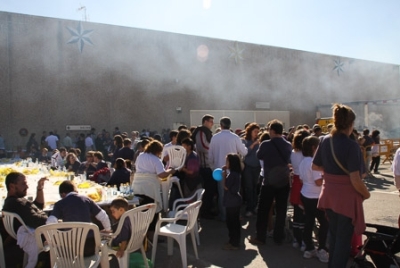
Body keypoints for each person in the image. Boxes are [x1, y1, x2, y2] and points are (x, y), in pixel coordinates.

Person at [312, 103, 370, 268]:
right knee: (343, 241)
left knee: (334, 236)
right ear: (351, 124)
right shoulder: (352, 145)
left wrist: (332, 173)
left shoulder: (324, 140)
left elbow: (315, 166)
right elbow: (356, 179)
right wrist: (366, 194)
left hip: (329, 194)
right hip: (345, 198)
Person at [249, 119, 292, 245]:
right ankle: (279, 237)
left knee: (263, 210)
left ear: (272, 131)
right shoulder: (288, 144)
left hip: (268, 181)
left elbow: (259, 156)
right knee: (281, 210)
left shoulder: (266, 144)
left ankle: (260, 237)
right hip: (284, 181)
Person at [46, 180, 112, 256]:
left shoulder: (60, 204)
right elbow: (103, 216)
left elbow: (50, 222)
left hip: (71, 248)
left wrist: (50, 239)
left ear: (63, 194)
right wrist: (108, 229)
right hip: (89, 245)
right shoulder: (86, 199)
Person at [3, 172, 49, 268]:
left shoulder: (11, 202)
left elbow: (38, 206)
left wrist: (39, 188)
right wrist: (51, 218)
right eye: (23, 184)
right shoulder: (18, 203)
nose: (27, 186)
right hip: (36, 236)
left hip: (26, 235)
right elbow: (36, 221)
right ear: (12, 186)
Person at [132, 140, 176, 240]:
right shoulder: (155, 159)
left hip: (137, 186)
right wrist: (171, 171)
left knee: (141, 212)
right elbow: (161, 174)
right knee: (152, 213)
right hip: (149, 188)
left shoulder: (140, 156)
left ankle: (141, 236)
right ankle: (151, 237)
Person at [209, 117, 247, 221]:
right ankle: (233, 215)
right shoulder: (235, 137)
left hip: (219, 171)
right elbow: (244, 152)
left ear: (220, 125)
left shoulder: (215, 137)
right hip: (234, 171)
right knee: (234, 193)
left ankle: (224, 216)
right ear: (230, 125)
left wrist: (213, 168)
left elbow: (210, 156)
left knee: (222, 194)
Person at [299, 136, 329, 263]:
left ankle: (309, 248)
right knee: (324, 223)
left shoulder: (303, 161)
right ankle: (322, 249)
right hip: (315, 197)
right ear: (313, 148)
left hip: (305, 194)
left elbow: (301, 179)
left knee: (309, 222)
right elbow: (318, 182)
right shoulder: (313, 162)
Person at [191, 114, 216, 219]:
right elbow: (203, 146)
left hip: (209, 165)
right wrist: (214, 148)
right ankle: (205, 212)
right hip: (204, 166)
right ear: (205, 121)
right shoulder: (201, 131)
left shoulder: (206, 132)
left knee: (211, 190)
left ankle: (208, 210)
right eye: (211, 121)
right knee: (207, 191)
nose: (212, 124)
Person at [290, 128, 310, 251]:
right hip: (305, 183)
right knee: (306, 214)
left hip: (296, 183)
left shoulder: (293, 153)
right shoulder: (307, 155)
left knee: (297, 212)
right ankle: (304, 240)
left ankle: (296, 239)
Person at [222, 153, 243, 250]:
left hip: (232, 202)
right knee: (234, 223)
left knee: (232, 223)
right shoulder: (235, 173)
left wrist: (224, 177)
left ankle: (234, 243)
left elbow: (227, 187)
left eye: (227, 161)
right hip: (234, 202)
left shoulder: (233, 175)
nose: (226, 163)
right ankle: (233, 241)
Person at [242, 123, 261, 217]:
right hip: (248, 167)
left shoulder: (260, 142)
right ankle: (249, 208)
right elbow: (244, 153)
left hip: (257, 167)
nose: (256, 133)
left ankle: (255, 207)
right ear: (250, 131)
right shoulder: (245, 141)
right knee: (249, 188)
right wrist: (253, 145)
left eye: (258, 132)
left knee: (255, 188)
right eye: (255, 131)